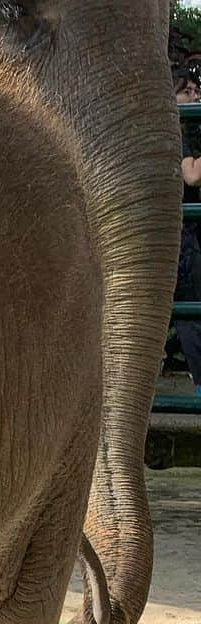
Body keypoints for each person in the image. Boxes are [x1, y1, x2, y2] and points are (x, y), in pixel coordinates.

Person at [171, 73, 201, 394]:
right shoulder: (173, 129)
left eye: (196, 91)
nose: (194, 96)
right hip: (181, 240)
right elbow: (191, 175)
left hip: (184, 236)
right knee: (190, 314)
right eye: (187, 91)